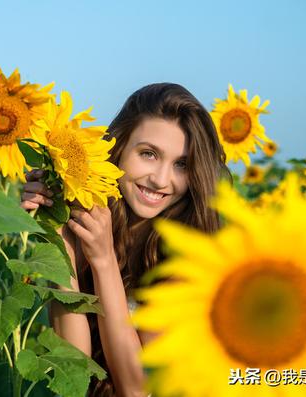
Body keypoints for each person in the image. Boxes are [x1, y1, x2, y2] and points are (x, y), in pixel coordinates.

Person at [20, 83, 231, 397]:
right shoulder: (91, 220)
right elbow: (75, 371)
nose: (160, 180)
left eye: (181, 164)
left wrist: (103, 261)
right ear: (117, 148)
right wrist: (57, 234)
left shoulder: (191, 256)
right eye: (148, 154)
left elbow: (135, 389)